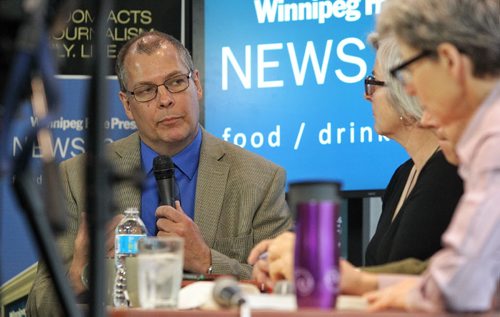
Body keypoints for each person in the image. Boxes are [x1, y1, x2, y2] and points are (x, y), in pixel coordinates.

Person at [26, 31, 292, 316]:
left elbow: (286, 292)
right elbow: (37, 307)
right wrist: (78, 275)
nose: (165, 100)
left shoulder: (261, 179)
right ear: (127, 105)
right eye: (146, 90)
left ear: (197, 85)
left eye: (176, 82)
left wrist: (207, 261)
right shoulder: (78, 178)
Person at [248, 34, 463, 286]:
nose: (367, 95)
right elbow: (380, 271)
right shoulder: (404, 174)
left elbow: (409, 278)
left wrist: (319, 268)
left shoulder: (449, 173)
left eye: (374, 83)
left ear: (407, 91)